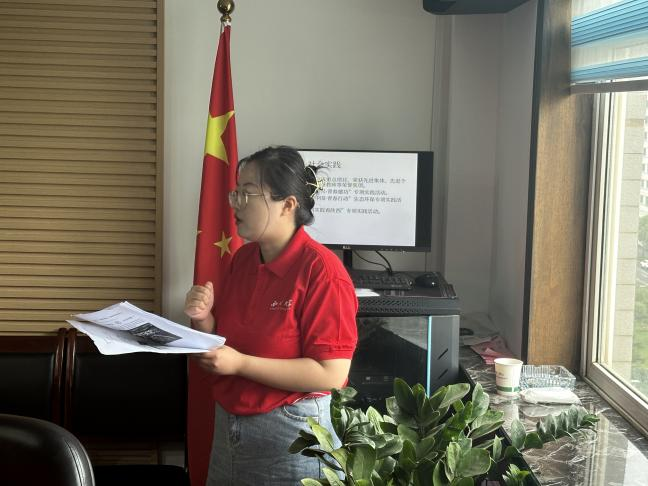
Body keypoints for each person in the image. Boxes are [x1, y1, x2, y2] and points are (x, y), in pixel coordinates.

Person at [184, 145, 358, 485]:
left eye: (247, 194)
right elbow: (229, 342)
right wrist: (202, 318)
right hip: (229, 428)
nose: (235, 204)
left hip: (291, 436)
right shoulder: (243, 260)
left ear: (288, 205)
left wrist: (240, 364)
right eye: (235, 193)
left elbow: (331, 374)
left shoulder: (322, 272)